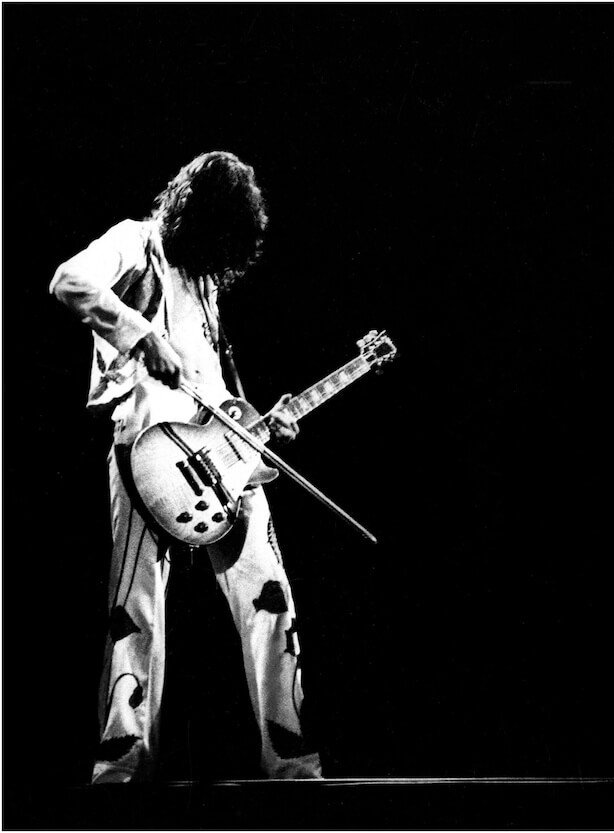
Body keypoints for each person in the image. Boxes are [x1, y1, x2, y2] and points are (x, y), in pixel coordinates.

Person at [51, 151, 323, 783]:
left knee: (270, 597)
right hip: (145, 443)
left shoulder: (204, 283)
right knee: (136, 606)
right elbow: (70, 280)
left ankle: (292, 763)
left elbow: (214, 385)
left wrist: (259, 420)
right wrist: (141, 336)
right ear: (188, 212)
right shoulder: (135, 241)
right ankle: (121, 769)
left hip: (221, 459)